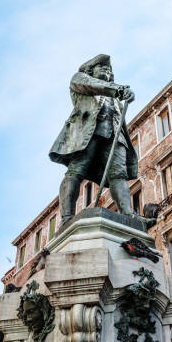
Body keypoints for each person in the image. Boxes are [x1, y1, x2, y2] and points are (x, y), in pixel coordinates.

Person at [49, 54, 137, 224]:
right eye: (102, 67)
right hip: (87, 133)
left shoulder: (115, 96)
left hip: (115, 137)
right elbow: (91, 85)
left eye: (109, 69)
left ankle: (128, 216)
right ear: (91, 70)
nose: (107, 70)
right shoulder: (80, 79)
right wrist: (118, 89)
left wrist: (126, 95)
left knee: (119, 175)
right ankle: (67, 217)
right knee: (76, 172)